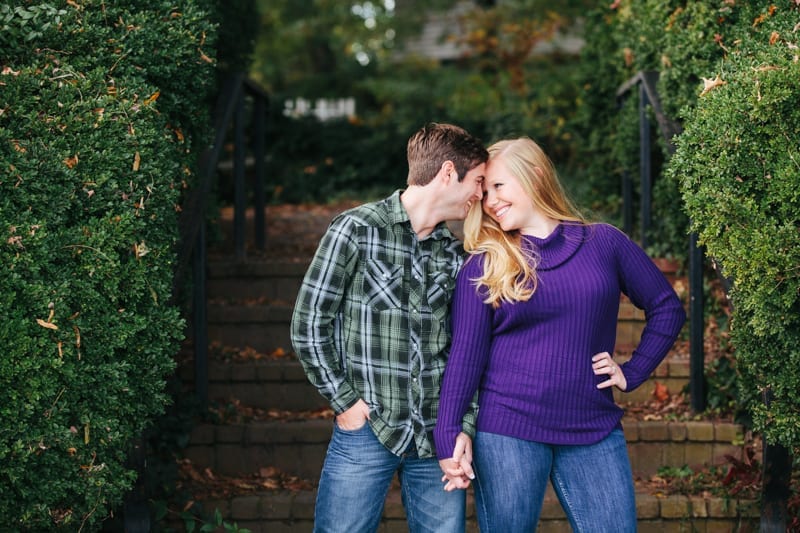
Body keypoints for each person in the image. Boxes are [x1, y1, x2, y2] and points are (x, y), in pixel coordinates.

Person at [434, 137, 686, 532]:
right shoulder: (486, 263)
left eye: (499, 186)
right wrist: (448, 432)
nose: (491, 201)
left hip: (593, 428)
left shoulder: (605, 242)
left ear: (535, 175)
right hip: (507, 432)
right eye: (485, 193)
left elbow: (666, 308)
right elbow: (465, 357)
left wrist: (632, 371)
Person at [290, 122, 489, 533]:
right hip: (367, 428)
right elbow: (309, 324)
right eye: (479, 181)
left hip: (437, 437)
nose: (481, 195)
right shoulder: (356, 230)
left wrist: (463, 426)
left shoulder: (456, 255)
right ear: (448, 173)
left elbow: (466, 352)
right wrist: (345, 403)